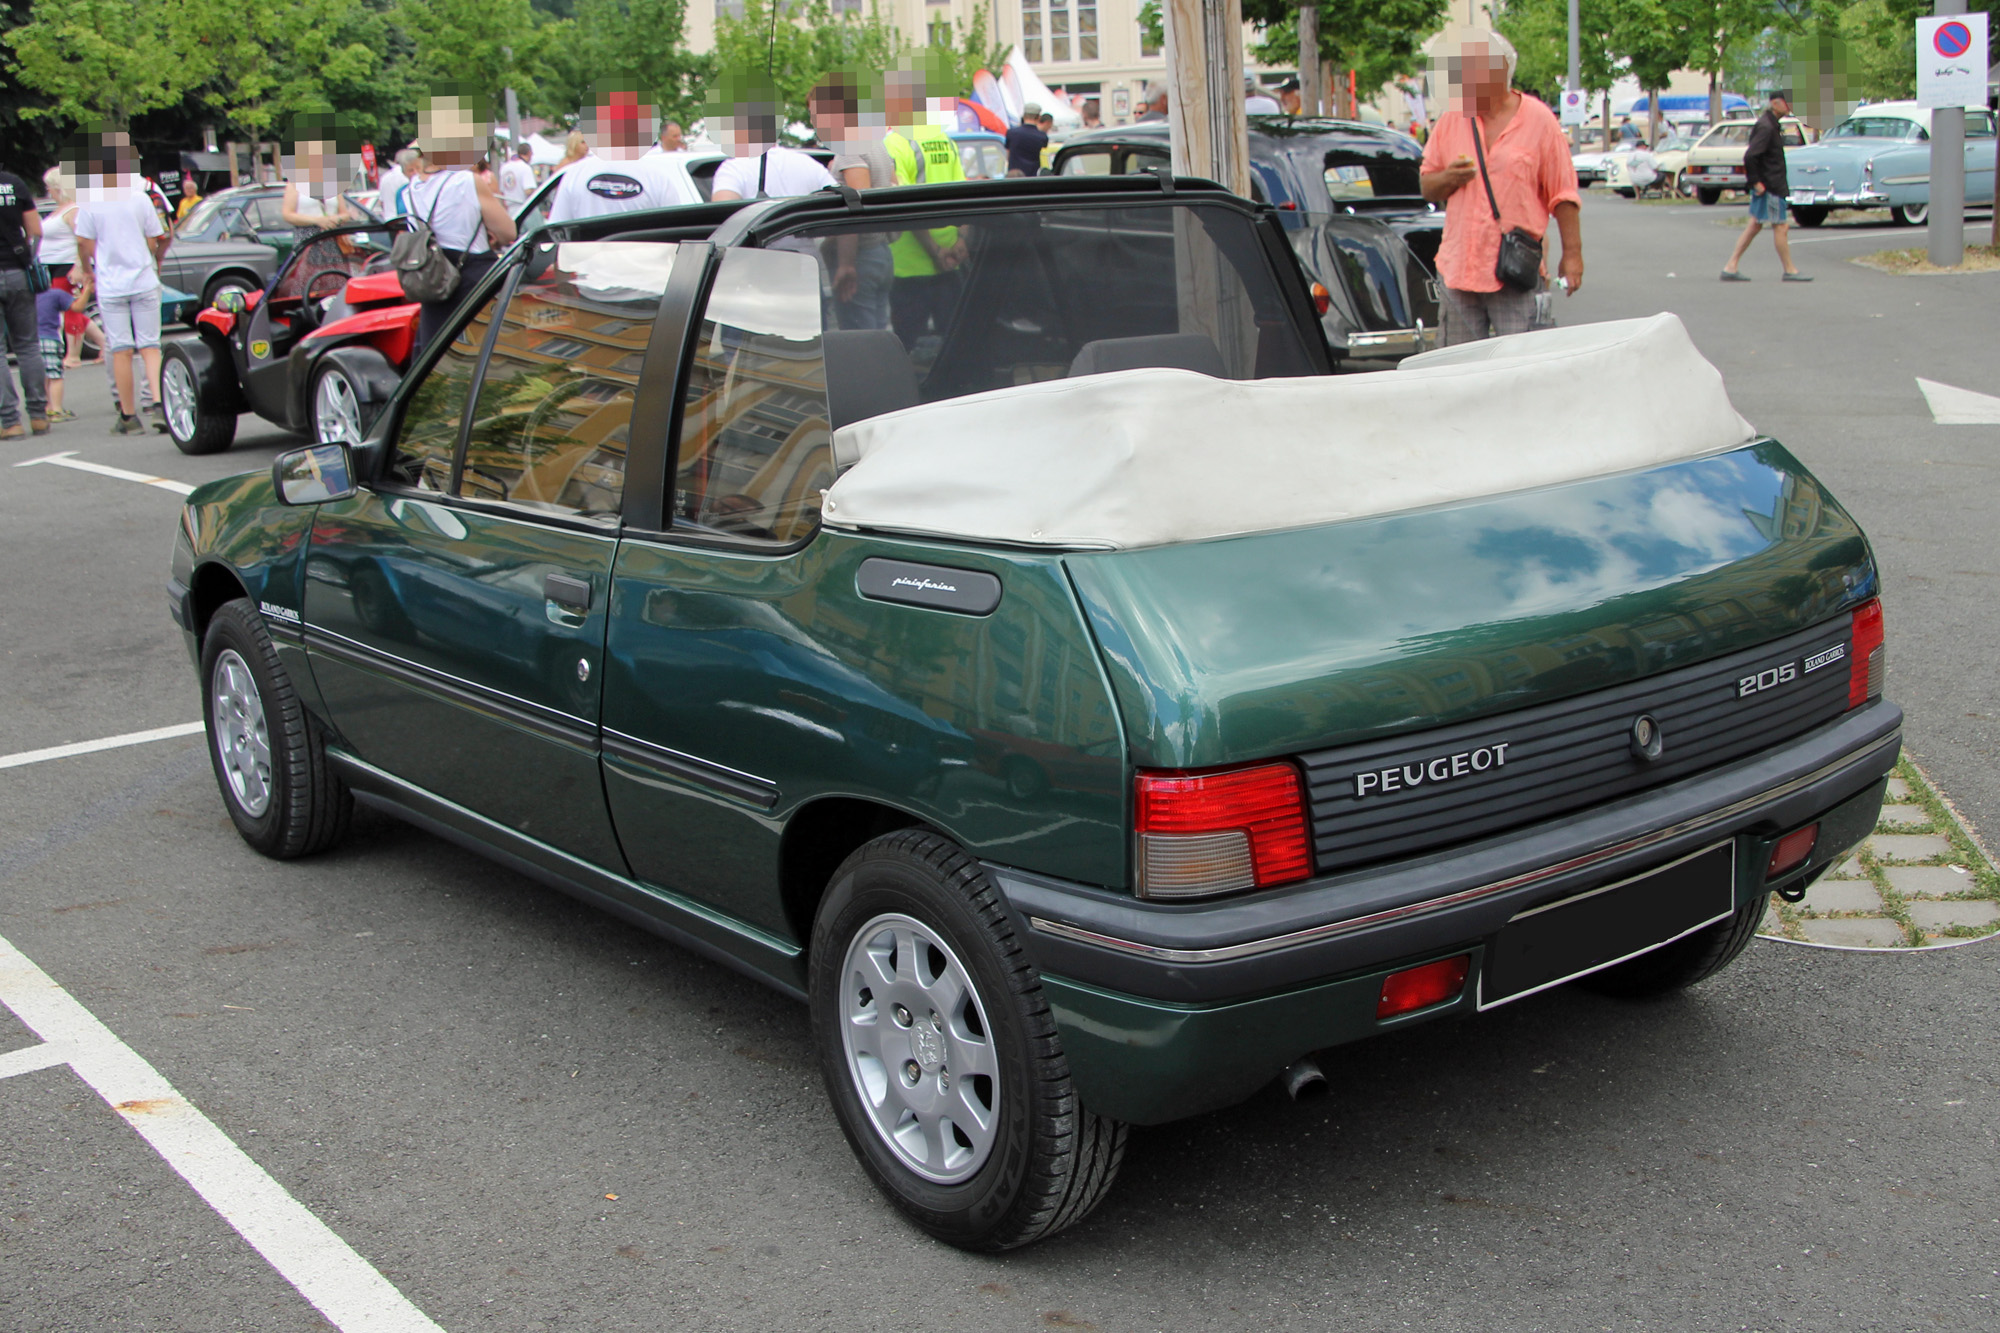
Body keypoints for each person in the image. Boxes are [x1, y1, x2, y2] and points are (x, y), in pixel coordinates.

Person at [1418, 29, 1582, 344]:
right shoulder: (1453, 117)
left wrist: (1572, 256)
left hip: (1514, 270)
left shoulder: (1539, 120)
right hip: (1460, 270)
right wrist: (1450, 178)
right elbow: (1427, 186)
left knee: (1521, 368)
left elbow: (1563, 194)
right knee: (1458, 369)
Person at [404, 88, 518, 352]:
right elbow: (508, 232)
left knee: (438, 355)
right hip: (472, 279)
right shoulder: (467, 181)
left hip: (432, 280)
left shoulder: (411, 189)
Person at [73, 133, 170, 434]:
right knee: (150, 345)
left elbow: (83, 242)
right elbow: (156, 237)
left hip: (111, 282)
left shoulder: (90, 202)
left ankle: (128, 415)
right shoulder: (139, 197)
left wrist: (90, 268)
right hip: (143, 277)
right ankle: (157, 404)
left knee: (121, 349)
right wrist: (153, 259)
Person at [546, 82, 701, 221]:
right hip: (645, 253)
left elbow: (557, 233)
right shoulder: (657, 178)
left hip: (588, 253)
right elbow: (674, 233)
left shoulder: (574, 176)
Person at [811, 72, 894, 330]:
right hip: (880, 253)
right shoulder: (875, 143)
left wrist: (846, 264)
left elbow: (857, 208)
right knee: (880, 334)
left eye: (816, 114)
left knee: (862, 341)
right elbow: (893, 187)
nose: (814, 122)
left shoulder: (849, 148)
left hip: (860, 257)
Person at [1721, 90, 1810, 282]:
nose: (1790, 106)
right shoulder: (1767, 127)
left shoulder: (1771, 125)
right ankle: (1790, 270)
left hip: (1770, 184)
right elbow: (1751, 156)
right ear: (1776, 104)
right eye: (1788, 103)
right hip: (1770, 185)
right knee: (1781, 226)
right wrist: (1756, 182)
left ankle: (1731, 265)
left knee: (1755, 225)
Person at [0, 160, 50, 438]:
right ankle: (39, 416)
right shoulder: (14, 183)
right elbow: (37, 231)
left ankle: (9, 421)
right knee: (28, 346)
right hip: (18, 273)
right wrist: (27, 257)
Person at [36, 282, 75, 421]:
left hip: (32, 341)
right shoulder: (55, 294)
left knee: (42, 377)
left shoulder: (27, 297)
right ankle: (57, 409)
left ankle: (47, 408)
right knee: (55, 377)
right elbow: (77, 307)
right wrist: (87, 290)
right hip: (50, 338)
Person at [1004, 103, 1048, 177]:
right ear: (1038, 117)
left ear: (1023, 116)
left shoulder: (1011, 133)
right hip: (1032, 178)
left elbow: (1008, 154)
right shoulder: (1042, 137)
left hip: (1013, 178)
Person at [499, 142, 537, 210]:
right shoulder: (525, 168)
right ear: (529, 153)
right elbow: (528, 191)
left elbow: (501, 192)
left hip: (508, 209)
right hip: (522, 208)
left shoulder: (504, 167)